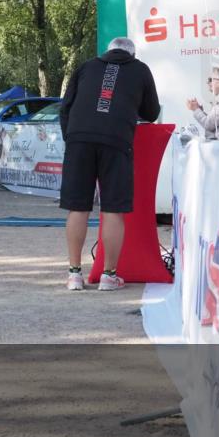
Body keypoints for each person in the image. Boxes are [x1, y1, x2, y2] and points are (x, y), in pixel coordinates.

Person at [58, 37, 160, 291]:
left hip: (79, 140)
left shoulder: (86, 66)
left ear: (108, 50)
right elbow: (151, 112)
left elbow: (65, 107)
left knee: (77, 207)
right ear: (132, 54)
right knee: (113, 209)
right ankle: (108, 276)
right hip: (116, 141)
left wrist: (71, 138)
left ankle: (74, 274)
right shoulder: (140, 69)